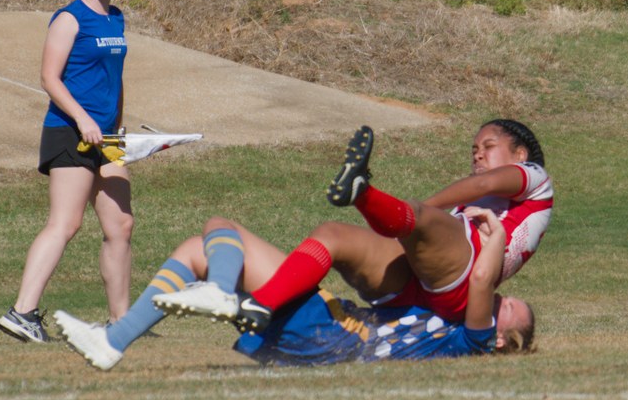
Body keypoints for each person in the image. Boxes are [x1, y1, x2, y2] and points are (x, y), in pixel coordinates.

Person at [160, 120, 552, 330]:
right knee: (334, 235)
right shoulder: (473, 204)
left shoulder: (535, 177)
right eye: (473, 149)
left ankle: (364, 194)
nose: (477, 155)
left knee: (424, 220)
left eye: (488, 146)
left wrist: (416, 209)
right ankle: (261, 305)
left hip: (464, 283)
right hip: (416, 290)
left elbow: (482, 183)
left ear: (519, 153)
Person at [52, 206, 534, 370]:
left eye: (511, 307)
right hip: (327, 327)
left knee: (218, 232)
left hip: (335, 335)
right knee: (200, 243)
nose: (501, 298)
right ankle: (113, 342)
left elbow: (481, 277)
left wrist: (493, 233)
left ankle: (217, 293)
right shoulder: (454, 329)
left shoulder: (468, 341)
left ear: (498, 338)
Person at [0, 0, 133, 343]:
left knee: (121, 224)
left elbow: (114, 78)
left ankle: (122, 322)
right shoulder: (70, 19)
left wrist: (117, 126)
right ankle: (22, 312)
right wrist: (83, 118)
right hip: (69, 130)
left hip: (106, 136)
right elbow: (49, 79)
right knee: (65, 222)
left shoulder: (116, 19)